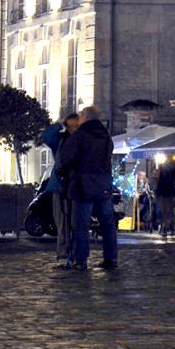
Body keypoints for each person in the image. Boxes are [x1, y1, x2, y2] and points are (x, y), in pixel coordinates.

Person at [58, 107, 116, 270]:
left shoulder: (79, 136)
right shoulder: (105, 136)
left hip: (82, 185)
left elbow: (66, 158)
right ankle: (111, 258)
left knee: (81, 225)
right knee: (107, 224)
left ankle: (81, 260)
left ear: (85, 118)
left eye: (81, 115)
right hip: (103, 184)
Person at [41, 113, 80, 268]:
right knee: (62, 223)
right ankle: (64, 255)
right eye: (70, 125)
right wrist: (59, 124)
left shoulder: (81, 139)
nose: (73, 128)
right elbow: (47, 136)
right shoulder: (60, 140)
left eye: (75, 125)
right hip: (59, 186)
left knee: (75, 223)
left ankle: (74, 255)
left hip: (77, 187)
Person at [153, 157, 175, 240]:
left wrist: (158, 193)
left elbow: (160, 182)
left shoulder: (163, 169)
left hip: (165, 193)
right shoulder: (173, 170)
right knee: (170, 211)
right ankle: (170, 227)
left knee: (165, 211)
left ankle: (165, 228)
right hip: (171, 192)